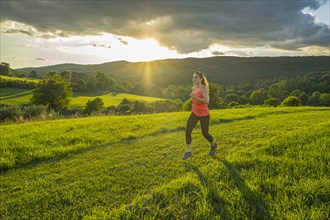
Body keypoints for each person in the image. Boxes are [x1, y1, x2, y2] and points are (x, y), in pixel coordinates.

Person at [182, 71, 217, 160]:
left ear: (201, 79)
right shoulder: (193, 88)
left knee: (205, 133)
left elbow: (206, 101)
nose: (194, 79)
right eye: (193, 77)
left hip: (204, 114)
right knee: (188, 130)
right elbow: (195, 101)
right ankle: (188, 152)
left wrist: (195, 97)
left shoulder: (203, 88)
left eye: (196, 77)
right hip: (194, 113)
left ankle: (213, 144)